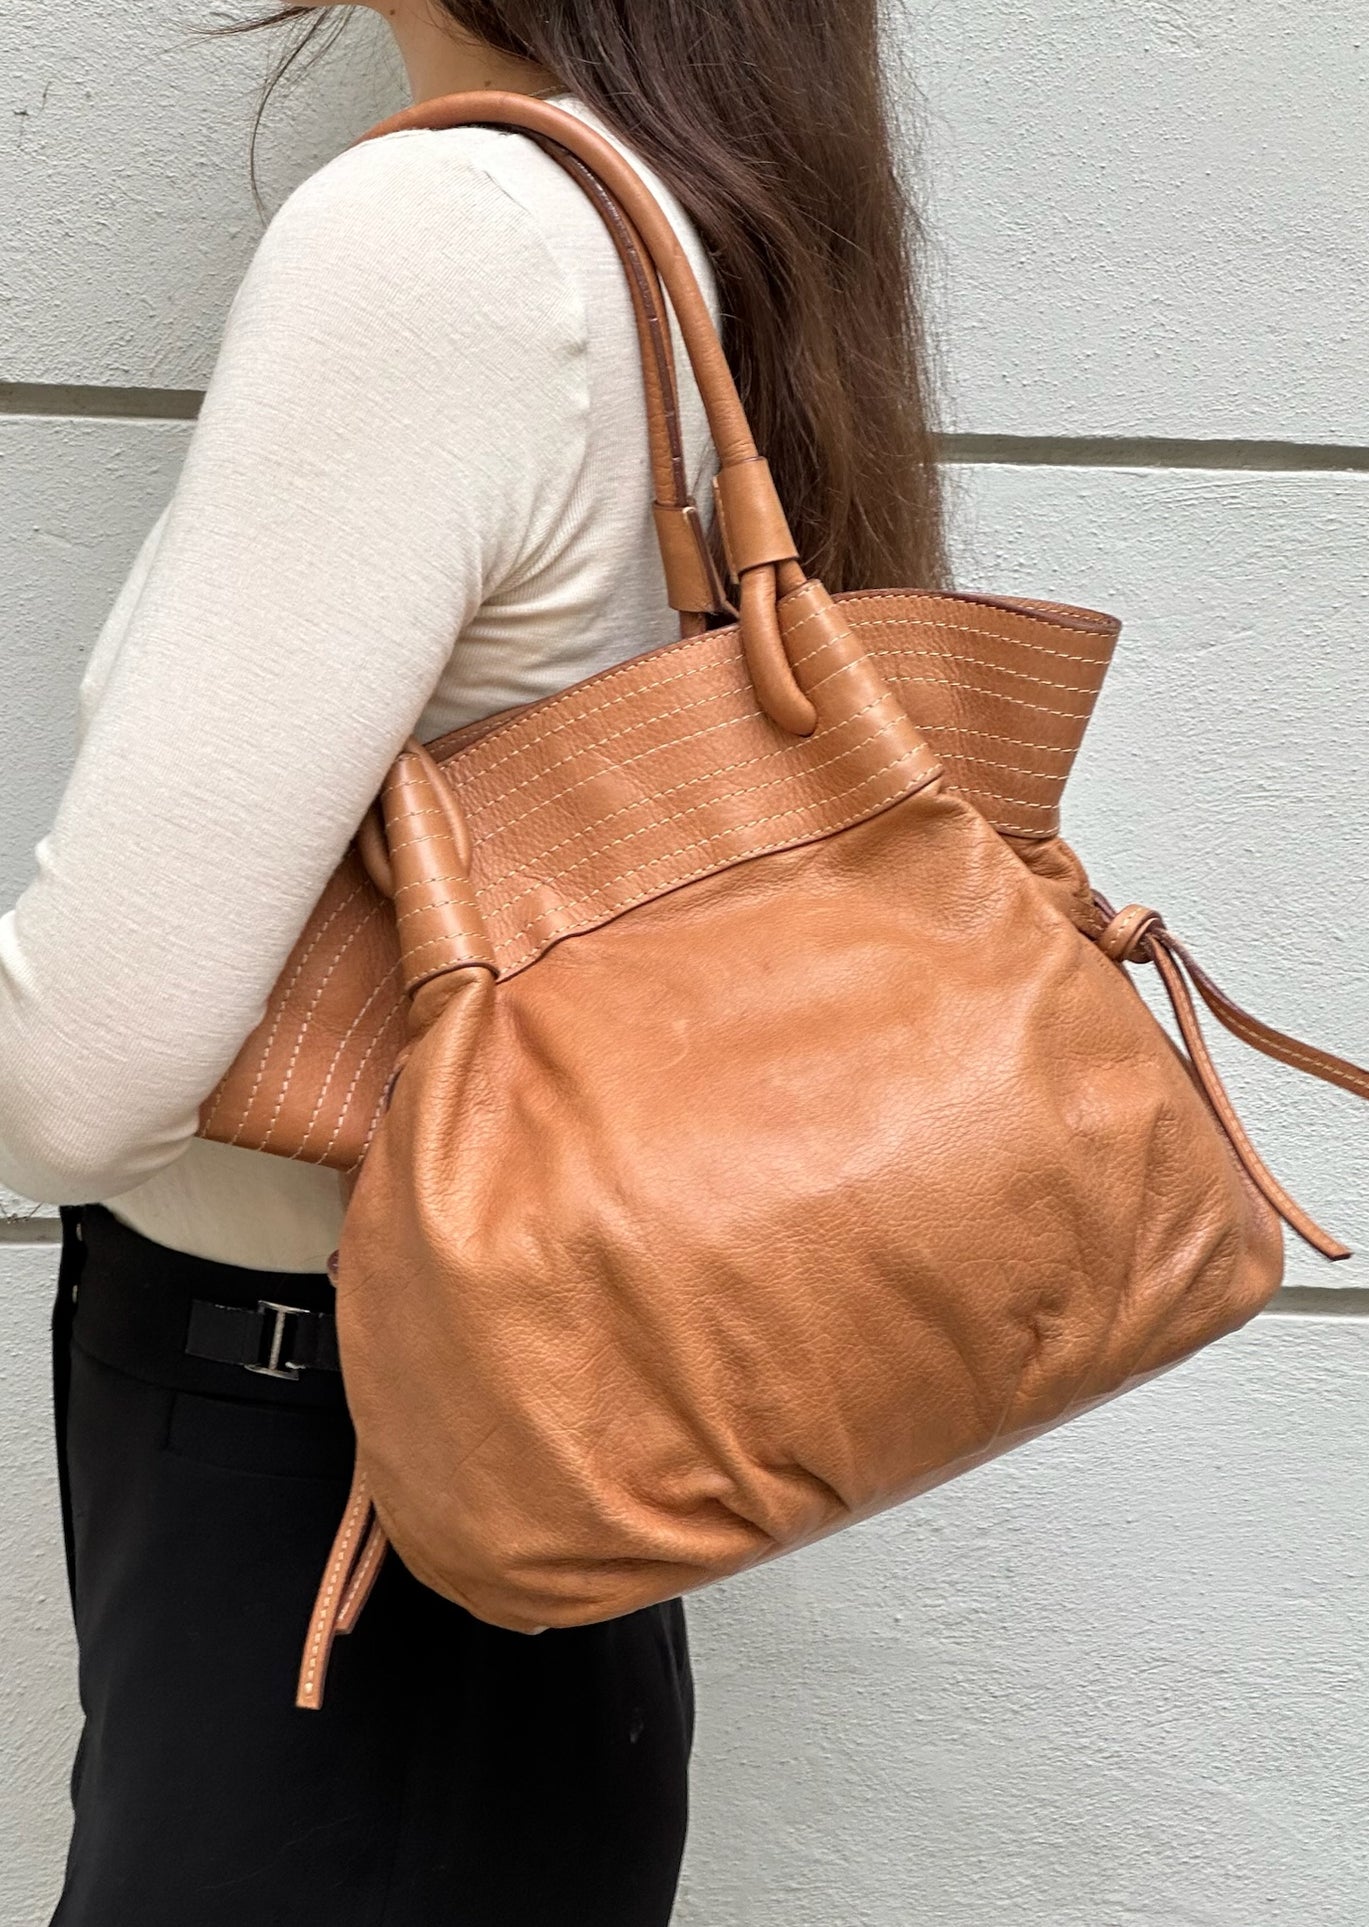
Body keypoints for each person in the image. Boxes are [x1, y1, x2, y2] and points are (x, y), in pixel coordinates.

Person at [0, 2, 944, 1920]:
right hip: (523, 1458)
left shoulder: (449, 244)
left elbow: (83, 1078)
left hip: (342, 1497)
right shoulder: (691, 222)